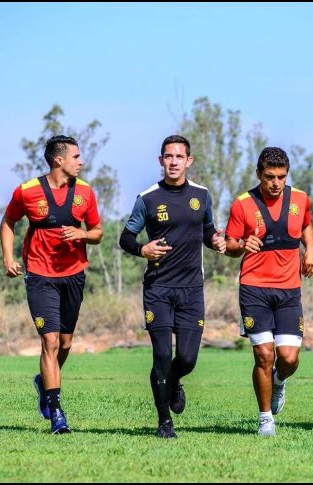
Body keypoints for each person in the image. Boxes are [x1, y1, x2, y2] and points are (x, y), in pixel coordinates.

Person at [119, 135, 226, 439]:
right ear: (161, 161)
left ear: (189, 161)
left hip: (192, 289)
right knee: (162, 356)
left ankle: (175, 381)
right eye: (169, 156)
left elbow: (208, 230)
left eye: (180, 156)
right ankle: (164, 421)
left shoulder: (202, 196)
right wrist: (143, 249)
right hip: (158, 289)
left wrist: (216, 240)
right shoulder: (148, 198)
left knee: (187, 359)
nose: (174, 161)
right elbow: (125, 238)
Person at [1, 135, 103, 434]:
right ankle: (57, 412)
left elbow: (98, 231)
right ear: (59, 160)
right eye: (76, 156)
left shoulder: (86, 192)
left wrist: (82, 235)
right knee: (50, 341)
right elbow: (8, 222)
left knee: (66, 343)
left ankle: (42, 380)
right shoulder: (28, 191)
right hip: (39, 275)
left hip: (73, 274)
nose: (80, 161)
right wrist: (8, 257)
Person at [225, 147, 313, 436]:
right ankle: (265, 418)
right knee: (264, 355)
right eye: (269, 177)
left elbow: (307, 227)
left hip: (289, 290)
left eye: (281, 177)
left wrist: (311, 251)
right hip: (254, 289)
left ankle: (279, 380)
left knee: (289, 358)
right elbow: (229, 245)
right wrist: (242, 245)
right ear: (258, 175)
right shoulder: (242, 204)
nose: (275, 183)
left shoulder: (300, 199)